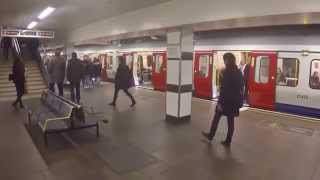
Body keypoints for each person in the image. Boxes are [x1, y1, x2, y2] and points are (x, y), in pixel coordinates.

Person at [202, 53, 244, 147]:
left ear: (227, 60)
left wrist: (220, 103)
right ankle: (228, 141)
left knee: (216, 117)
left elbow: (224, 89)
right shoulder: (238, 72)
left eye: (224, 59)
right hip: (234, 102)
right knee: (231, 121)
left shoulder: (227, 72)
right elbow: (241, 86)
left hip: (225, 101)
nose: (224, 61)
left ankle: (210, 135)